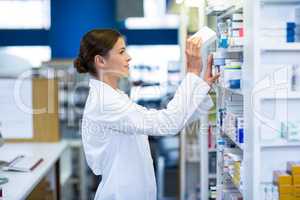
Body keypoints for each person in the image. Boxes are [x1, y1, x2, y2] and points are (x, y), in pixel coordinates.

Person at [74, 29, 219, 200]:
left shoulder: (114, 96)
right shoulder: (106, 103)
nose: (128, 57)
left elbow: (175, 121)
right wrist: (193, 73)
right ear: (100, 61)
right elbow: (168, 123)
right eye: (121, 52)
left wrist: (201, 86)